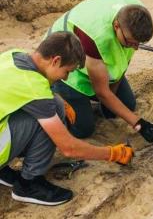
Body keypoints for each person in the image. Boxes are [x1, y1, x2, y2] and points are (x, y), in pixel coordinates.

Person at [0, 32, 134, 206]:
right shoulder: (34, 88)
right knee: (46, 117)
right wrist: (112, 153)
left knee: (53, 103)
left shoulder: (13, 56)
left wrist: (57, 99)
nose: (66, 78)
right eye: (67, 71)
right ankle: (28, 185)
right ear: (55, 60)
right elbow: (69, 148)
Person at [48, 0, 153, 143]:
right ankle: (58, 103)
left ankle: (90, 107)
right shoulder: (94, 37)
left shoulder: (137, 14)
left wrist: (111, 98)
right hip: (66, 68)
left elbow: (122, 63)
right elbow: (102, 92)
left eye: (139, 43)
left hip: (95, 61)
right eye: (131, 42)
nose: (136, 48)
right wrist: (139, 124)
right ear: (116, 26)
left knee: (127, 104)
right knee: (83, 130)